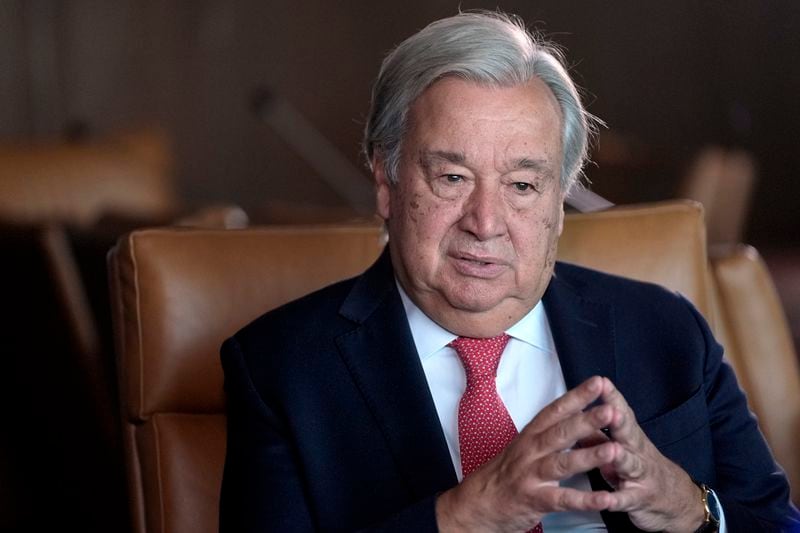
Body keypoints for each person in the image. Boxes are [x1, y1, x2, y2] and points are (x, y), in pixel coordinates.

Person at [219, 11, 799, 532]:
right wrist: (465, 515)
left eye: (522, 186)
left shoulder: (666, 329)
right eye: (452, 178)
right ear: (385, 181)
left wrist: (687, 506)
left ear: (558, 205)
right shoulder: (282, 367)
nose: (486, 221)